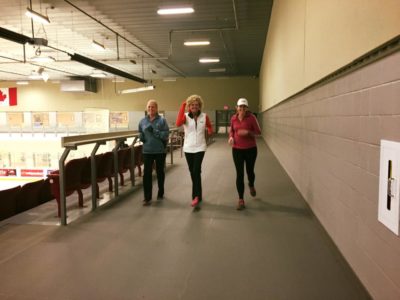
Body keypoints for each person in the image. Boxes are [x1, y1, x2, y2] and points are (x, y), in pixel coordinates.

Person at [176, 94, 213, 208]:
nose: (194, 107)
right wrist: (182, 107)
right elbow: (178, 123)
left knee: (196, 170)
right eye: (192, 105)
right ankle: (199, 194)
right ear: (189, 106)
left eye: (196, 105)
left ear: (199, 106)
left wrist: (210, 130)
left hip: (200, 147)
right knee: (193, 172)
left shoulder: (204, 116)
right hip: (188, 148)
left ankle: (195, 197)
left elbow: (209, 126)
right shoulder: (185, 117)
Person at [228, 98, 261, 210]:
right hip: (237, 149)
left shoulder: (252, 118)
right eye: (240, 107)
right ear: (236, 107)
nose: (242, 109)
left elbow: (258, 132)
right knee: (239, 174)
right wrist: (231, 137)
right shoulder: (233, 118)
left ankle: (251, 184)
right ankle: (241, 199)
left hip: (251, 149)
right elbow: (232, 130)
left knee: (250, 171)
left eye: (244, 107)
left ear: (247, 108)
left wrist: (248, 133)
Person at [138, 100, 169, 206]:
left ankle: (161, 191)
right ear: (147, 108)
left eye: (153, 107)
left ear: (157, 108)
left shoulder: (162, 121)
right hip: (147, 151)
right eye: (149, 107)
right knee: (147, 174)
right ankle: (147, 197)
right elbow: (140, 132)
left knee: (160, 172)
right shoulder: (142, 121)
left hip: (159, 150)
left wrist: (154, 131)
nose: (151, 109)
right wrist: (141, 137)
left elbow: (165, 135)